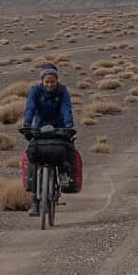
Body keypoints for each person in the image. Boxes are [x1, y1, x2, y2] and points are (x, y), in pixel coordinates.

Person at [19, 64, 82, 194]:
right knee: (33, 157)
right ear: (42, 81)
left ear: (57, 80)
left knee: (67, 150)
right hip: (40, 127)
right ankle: (35, 200)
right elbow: (30, 108)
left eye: (52, 82)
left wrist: (69, 126)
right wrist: (26, 126)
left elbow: (66, 109)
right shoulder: (35, 90)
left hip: (60, 127)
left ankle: (64, 175)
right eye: (46, 82)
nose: (49, 85)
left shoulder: (62, 91)